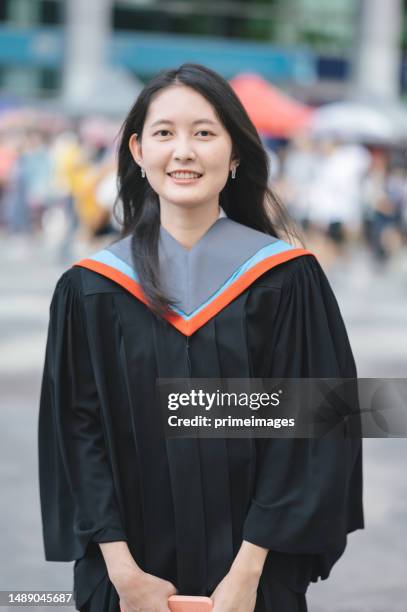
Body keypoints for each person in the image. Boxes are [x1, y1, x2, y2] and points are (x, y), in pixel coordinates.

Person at [38, 64, 363, 612]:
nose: (183, 151)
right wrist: (122, 573)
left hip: (256, 583)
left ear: (235, 154)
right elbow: (75, 434)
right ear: (138, 151)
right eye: (165, 133)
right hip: (126, 584)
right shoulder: (89, 289)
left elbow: (323, 426)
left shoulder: (287, 278)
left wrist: (249, 574)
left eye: (205, 133)